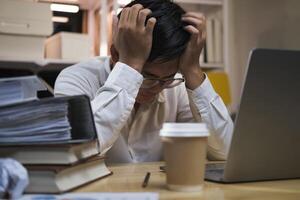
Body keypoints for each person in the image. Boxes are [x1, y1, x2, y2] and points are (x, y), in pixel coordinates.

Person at [54, 0, 233, 163]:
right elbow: (75, 152)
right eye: (148, 76)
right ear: (116, 54)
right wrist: (130, 67)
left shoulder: (174, 87)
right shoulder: (75, 79)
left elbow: (224, 152)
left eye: (167, 78)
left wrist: (192, 69)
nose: (157, 87)